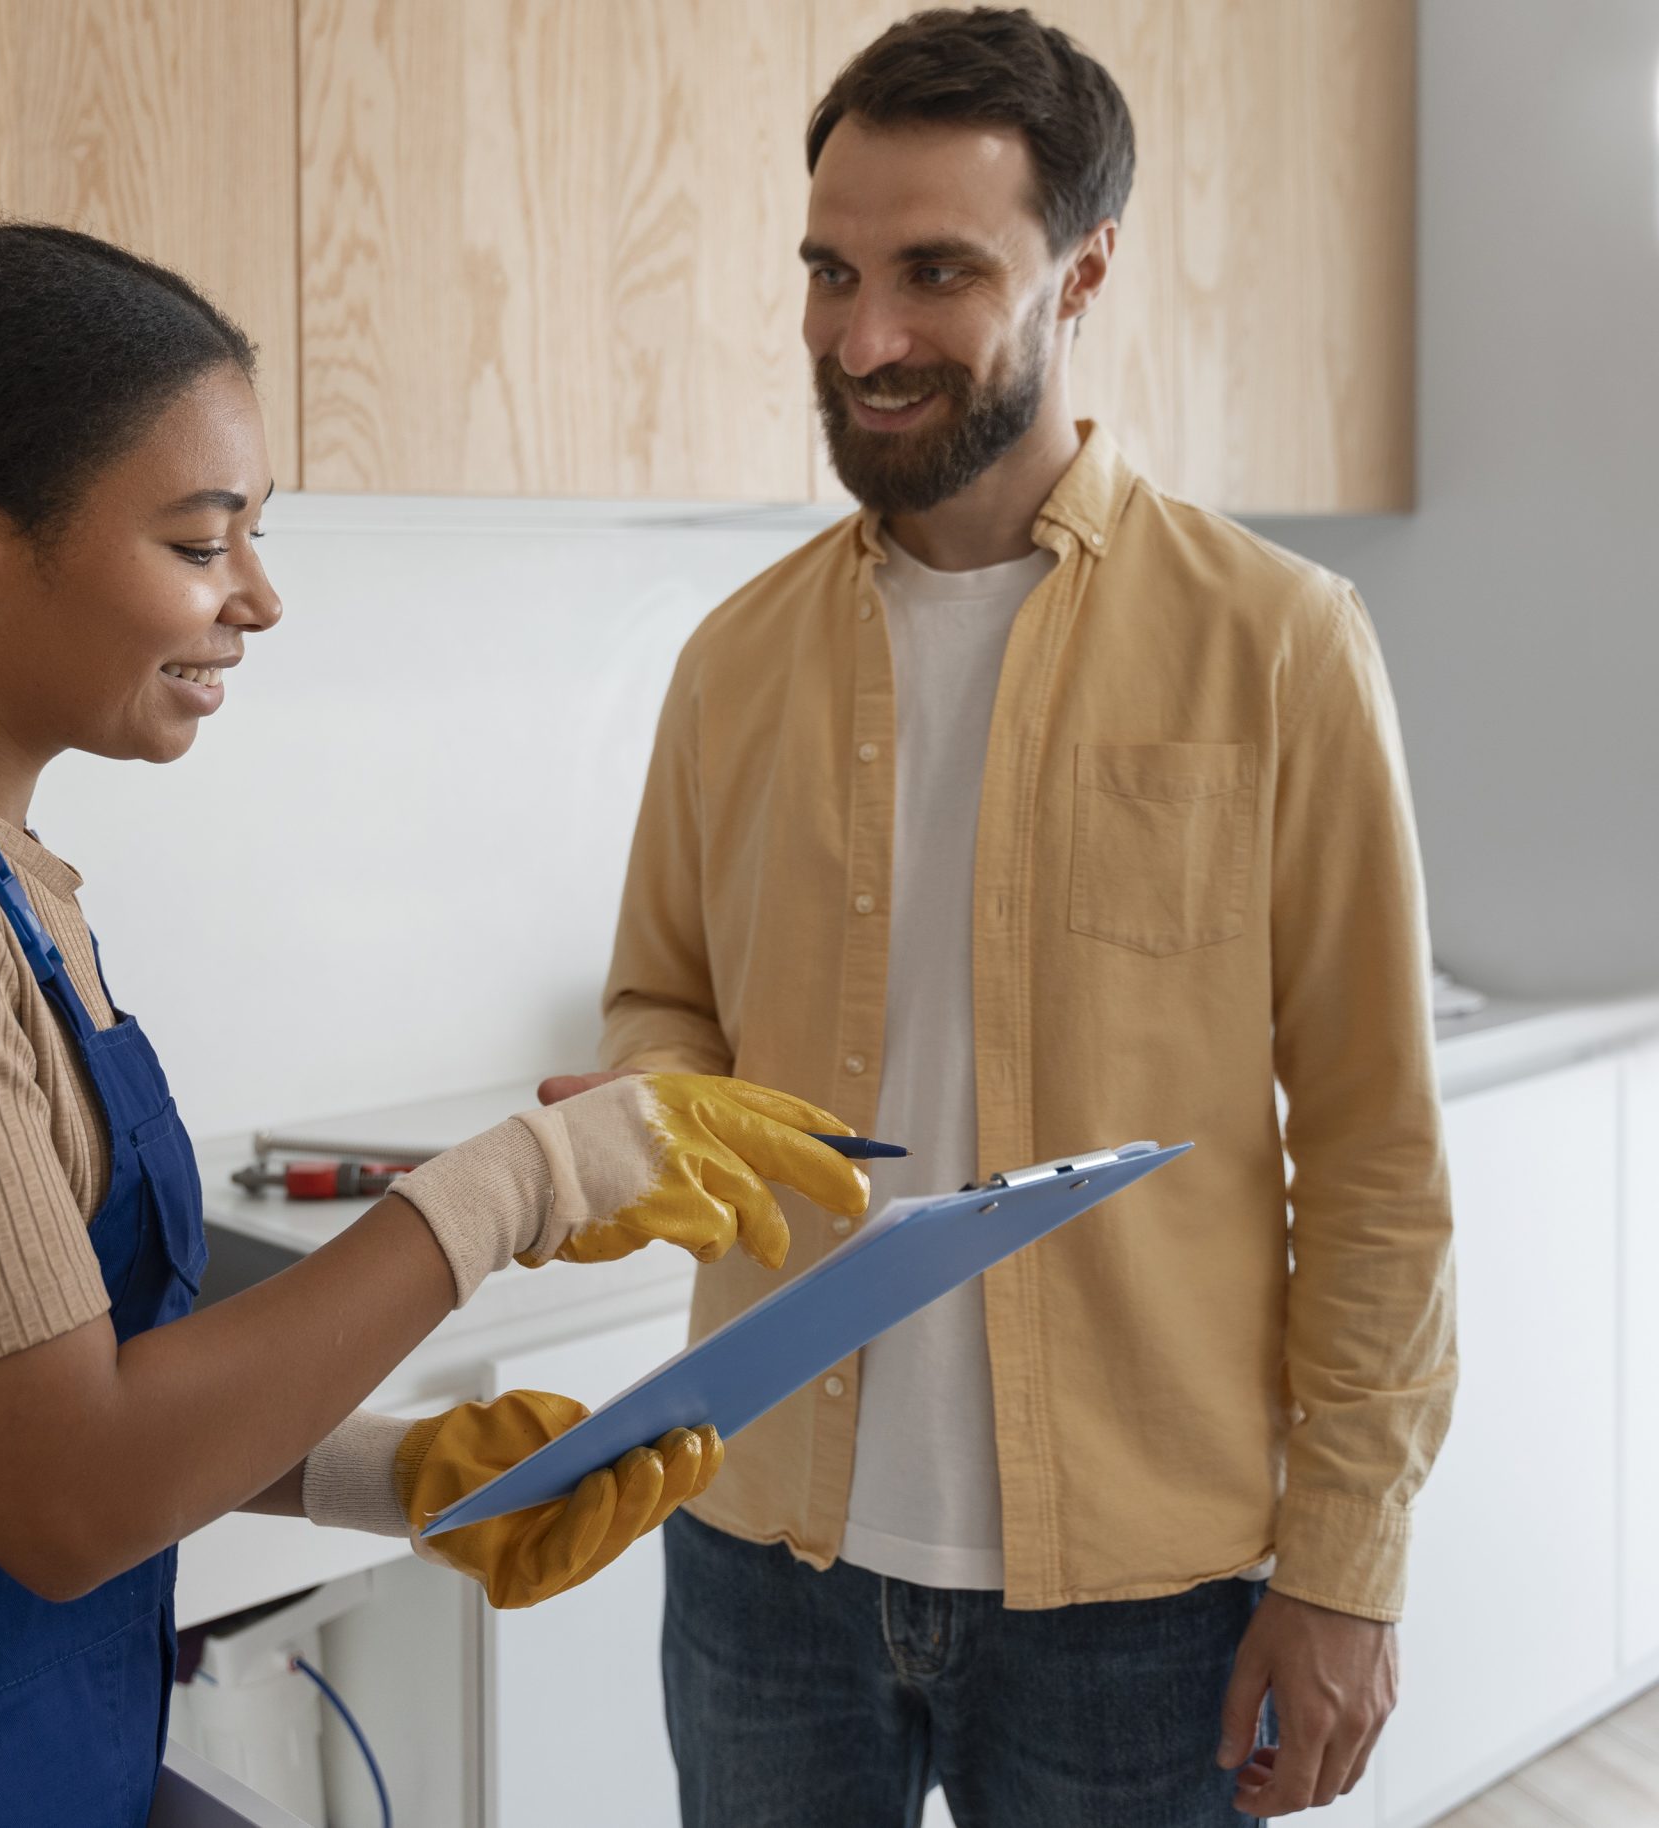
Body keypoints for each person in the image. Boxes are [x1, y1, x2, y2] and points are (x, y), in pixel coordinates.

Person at [0, 223, 871, 1827]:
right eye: (202, 540)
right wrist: (520, 1181)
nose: (261, 600)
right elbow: (72, 1492)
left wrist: (394, 1474)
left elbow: (16, 1386)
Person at [561, 10, 1456, 1823]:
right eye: (830, 270)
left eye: (936, 272)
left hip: (1144, 1600)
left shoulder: (1277, 641)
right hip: (761, 1554)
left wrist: (1345, 1561)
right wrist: (656, 1122)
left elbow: (1373, 1151)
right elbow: (658, 1004)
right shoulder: (734, 661)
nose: (862, 336)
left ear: (1084, 273)